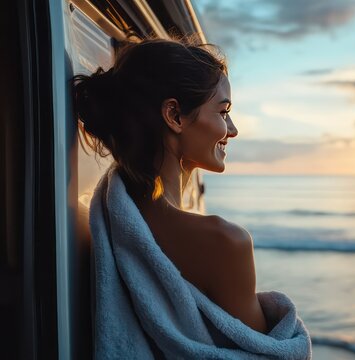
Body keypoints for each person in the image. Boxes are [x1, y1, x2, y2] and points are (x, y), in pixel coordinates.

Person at [73, 38, 268, 336]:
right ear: (174, 116)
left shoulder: (97, 223)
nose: (232, 130)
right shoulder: (225, 243)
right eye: (223, 112)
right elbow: (261, 354)